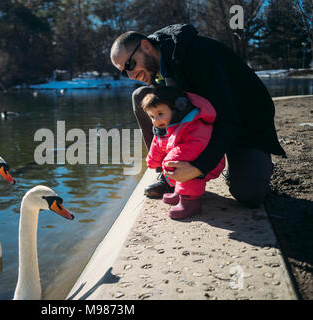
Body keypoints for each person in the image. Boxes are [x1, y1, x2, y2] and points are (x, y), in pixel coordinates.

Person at [110, 24, 286, 208]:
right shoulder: (158, 65)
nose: (129, 75)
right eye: (123, 71)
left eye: (129, 65)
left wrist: (198, 167)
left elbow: (227, 119)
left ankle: (258, 163)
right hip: (204, 122)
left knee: (250, 195)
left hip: (244, 124)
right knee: (141, 97)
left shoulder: (199, 55)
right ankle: (167, 176)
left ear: (146, 46)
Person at [142, 85, 225, 219]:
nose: (156, 120)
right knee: (174, 163)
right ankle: (179, 192)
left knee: (180, 164)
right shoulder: (165, 127)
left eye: (160, 114)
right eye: (152, 116)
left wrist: (169, 161)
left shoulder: (194, 124)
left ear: (176, 109)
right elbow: (158, 144)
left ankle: (190, 202)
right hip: (184, 159)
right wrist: (153, 160)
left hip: (206, 162)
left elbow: (196, 145)